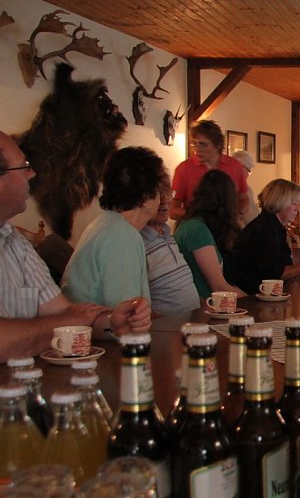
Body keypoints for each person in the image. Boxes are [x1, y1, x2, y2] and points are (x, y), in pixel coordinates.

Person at [0, 131, 149, 362]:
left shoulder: (15, 243)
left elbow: (68, 312)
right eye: (24, 167)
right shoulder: (120, 232)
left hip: (31, 387)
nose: (32, 174)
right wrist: (65, 323)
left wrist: (112, 322)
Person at [62, 147, 165, 308]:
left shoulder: (105, 223)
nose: (162, 198)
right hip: (98, 331)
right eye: (159, 190)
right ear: (145, 198)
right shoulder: (123, 236)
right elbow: (126, 311)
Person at [230, 179, 300, 294]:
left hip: (267, 294)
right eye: (294, 203)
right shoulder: (264, 230)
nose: (297, 209)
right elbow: (276, 273)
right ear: (280, 202)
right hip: (251, 298)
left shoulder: (273, 226)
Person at [174, 169, 246, 300]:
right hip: (204, 309)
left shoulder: (189, 224)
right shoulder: (198, 231)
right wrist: (253, 301)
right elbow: (218, 287)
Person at [141, 181, 200, 316]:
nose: (164, 200)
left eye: (168, 193)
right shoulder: (138, 241)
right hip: (165, 330)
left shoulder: (168, 234)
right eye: (157, 194)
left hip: (194, 324)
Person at [170, 120, 249, 221]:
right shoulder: (184, 169)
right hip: (197, 228)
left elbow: (244, 199)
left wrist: (238, 214)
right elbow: (172, 210)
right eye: (194, 144)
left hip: (227, 228)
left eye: (203, 144)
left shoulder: (235, 166)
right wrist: (200, 216)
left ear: (218, 145)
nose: (197, 148)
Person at [232, 149, 260, 226]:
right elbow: (252, 218)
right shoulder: (244, 190)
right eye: (248, 170)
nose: (248, 175)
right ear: (240, 167)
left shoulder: (221, 182)